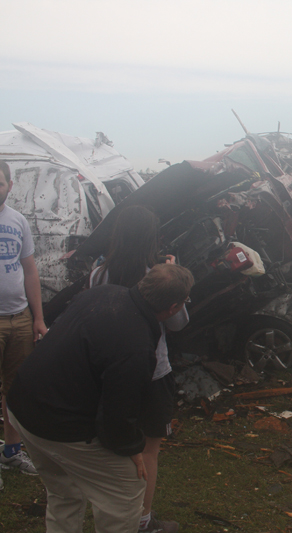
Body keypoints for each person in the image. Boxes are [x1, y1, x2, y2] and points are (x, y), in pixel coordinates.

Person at [7, 264, 194, 533]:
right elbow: (117, 416)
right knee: (127, 489)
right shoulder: (137, 347)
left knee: (64, 491)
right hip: (57, 422)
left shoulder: (102, 293)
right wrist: (131, 448)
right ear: (174, 307)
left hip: (22, 403)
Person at [89, 205, 188, 533]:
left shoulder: (99, 271)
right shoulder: (156, 274)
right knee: (149, 449)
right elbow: (177, 323)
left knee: (111, 447)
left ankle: (111, 513)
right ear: (151, 237)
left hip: (107, 370)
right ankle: (142, 520)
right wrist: (175, 279)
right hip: (152, 370)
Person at [0, 160, 47, 485]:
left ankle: (11, 450)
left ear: (9, 185)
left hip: (20, 319)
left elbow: (30, 271)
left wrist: (38, 318)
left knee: (15, 389)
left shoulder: (18, 221)